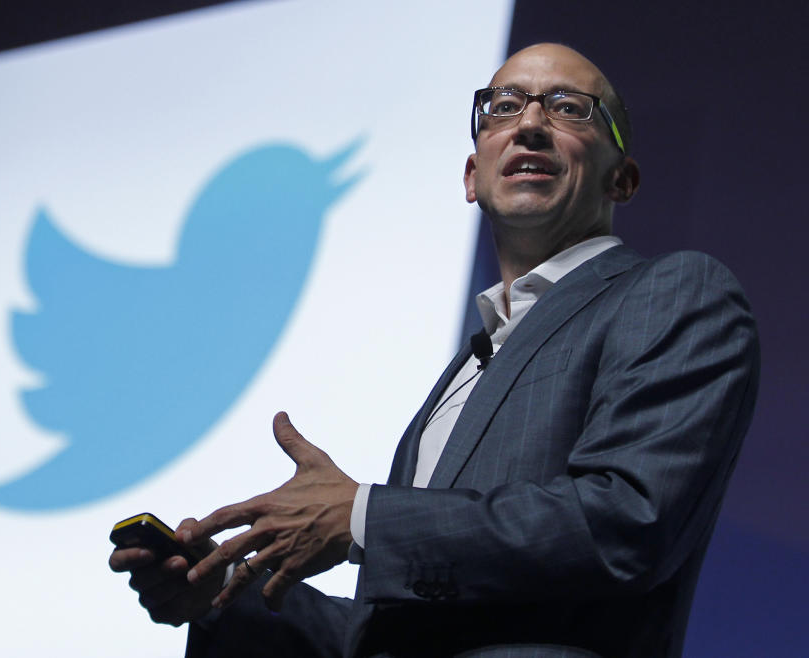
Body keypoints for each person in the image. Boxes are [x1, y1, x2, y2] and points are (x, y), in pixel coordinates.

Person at [110, 43, 759, 657]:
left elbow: (627, 522)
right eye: (503, 107)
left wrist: (362, 516)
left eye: (568, 107)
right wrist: (219, 597)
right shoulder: (462, 371)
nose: (529, 123)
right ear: (473, 176)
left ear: (623, 179)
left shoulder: (674, 292)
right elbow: (385, 638)